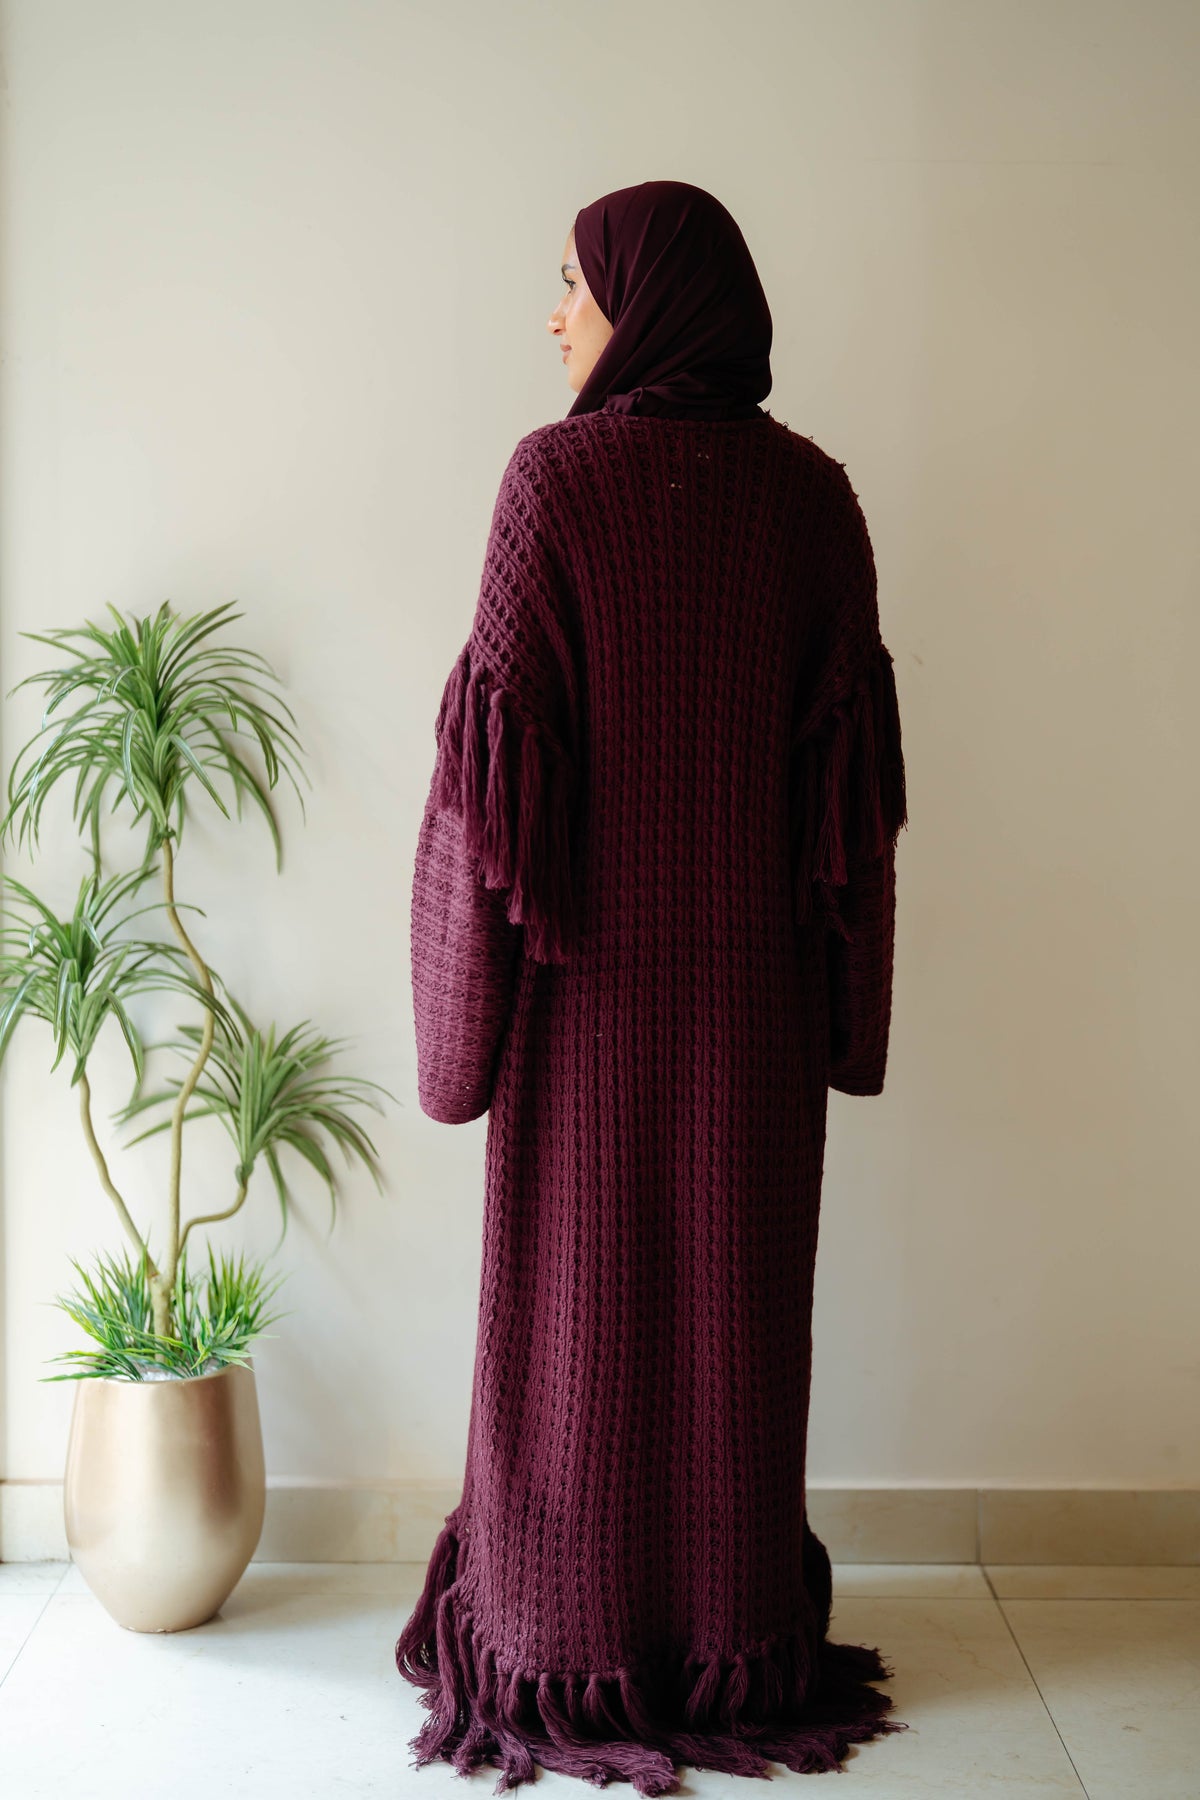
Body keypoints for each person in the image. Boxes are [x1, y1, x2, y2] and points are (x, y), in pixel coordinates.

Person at [395, 179, 910, 1795]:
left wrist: (456, 1044)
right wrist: (852, 1024)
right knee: (731, 1335)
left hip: (584, 1025)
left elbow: (483, 796)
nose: (553, 315)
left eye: (573, 283)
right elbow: (856, 809)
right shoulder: (814, 503)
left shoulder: (551, 485)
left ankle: (562, 1647)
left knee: (576, 1350)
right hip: (752, 1029)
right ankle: (737, 1645)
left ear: (645, 298)